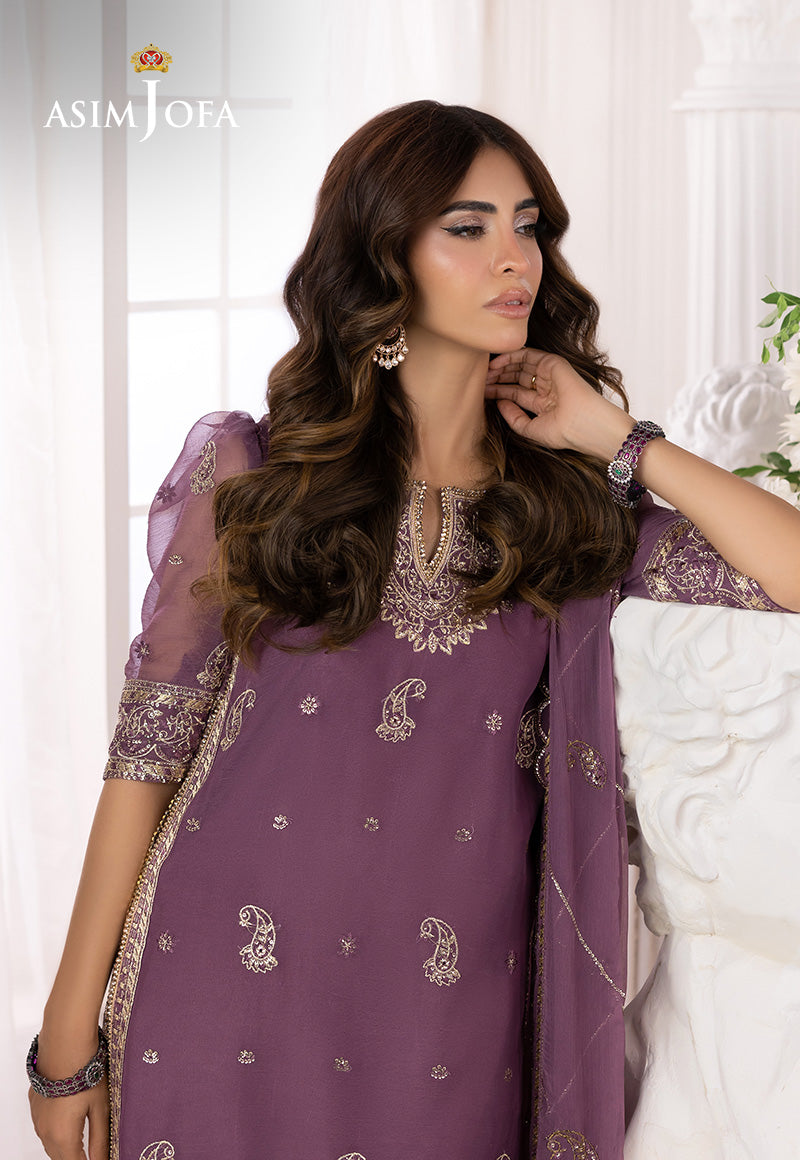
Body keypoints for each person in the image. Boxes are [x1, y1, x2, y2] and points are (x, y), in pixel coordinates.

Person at [27, 100, 800, 1160]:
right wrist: (66, 1033)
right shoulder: (258, 477)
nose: (513, 257)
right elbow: (148, 753)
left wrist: (617, 435)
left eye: (527, 225)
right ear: (383, 252)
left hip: (448, 1026)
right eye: (467, 227)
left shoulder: (568, 516)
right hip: (216, 995)